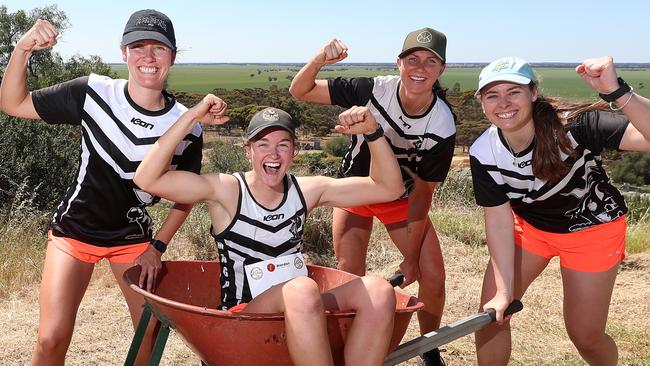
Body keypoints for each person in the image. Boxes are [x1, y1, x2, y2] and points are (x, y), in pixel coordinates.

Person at [134, 99, 404, 366]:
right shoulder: (227, 191)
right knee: (302, 288)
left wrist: (373, 131)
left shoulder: (307, 191)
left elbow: (389, 188)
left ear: (295, 151)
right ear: (248, 151)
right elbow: (147, 179)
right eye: (262, 144)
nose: (273, 154)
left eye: (282, 145)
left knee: (379, 290)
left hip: (302, 305)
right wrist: (191, 117)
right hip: (245, 316)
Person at [0, 9, 202, 365]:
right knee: (50, 338)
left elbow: (188, 197)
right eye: (138, 46)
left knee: (149, 336)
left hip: (133, 240)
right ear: (123, 52)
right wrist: (22, 50)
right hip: (74, 231)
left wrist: (157, 246)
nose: (148, 57)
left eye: (159, 48)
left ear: (172, 55)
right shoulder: (93, 92)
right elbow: (13, 103)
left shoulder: (187, 124)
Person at [288, 27, 456, 365]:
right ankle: (350, 343)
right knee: (351, 274)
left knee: (433, 276)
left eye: (430, 61)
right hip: (356, 190)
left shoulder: (442, 123)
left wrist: (411, 257)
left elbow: (423, 195)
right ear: (399, 63)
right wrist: (322, 58)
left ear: (441, 70)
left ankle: (428, 346)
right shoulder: (373, 89)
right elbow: (300, 91)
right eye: (412, 59)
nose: (419, 68)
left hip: (401, 200)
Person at [470, 55, 650, 365]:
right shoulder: (483, 151)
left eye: (513, 92)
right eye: (492, 95)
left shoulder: (575, 125)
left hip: (592, 231)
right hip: (532, 230)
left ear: (533, 93)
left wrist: (616, 91)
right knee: (491, 315)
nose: (504, 103)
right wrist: (504, 291)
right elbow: (499, 220)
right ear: (482, 103)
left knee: (585, 335)